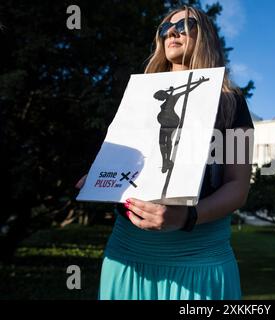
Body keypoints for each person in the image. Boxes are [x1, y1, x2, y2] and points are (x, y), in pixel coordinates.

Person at [76, 5, 254, 300]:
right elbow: (127, 159)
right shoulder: (140, 97)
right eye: (165, 28)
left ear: (206, 36)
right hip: (127, 256)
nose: (172, 31)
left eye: (185, 25)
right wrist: (101, 178)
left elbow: (237, 185)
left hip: (199, 259)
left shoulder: (232, 102)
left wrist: (187, 217)